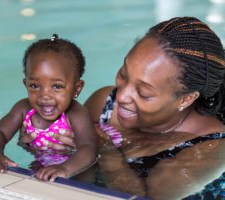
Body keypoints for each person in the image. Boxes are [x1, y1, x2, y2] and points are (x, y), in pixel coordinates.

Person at [27, 17, 224, 199]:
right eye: (123, 74)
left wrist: (105, 149)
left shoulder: (209, 147)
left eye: (144, 93)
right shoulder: (104, 102)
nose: (121, 96)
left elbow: (148, 197)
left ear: (186, 99)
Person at [0, 34, 97, 182]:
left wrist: (65, 169)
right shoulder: (23, 109)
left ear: (76, 89)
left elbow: (88, 149)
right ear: (25, 84)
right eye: (35, 86)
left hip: (77, 169)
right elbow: (0, 132)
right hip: (41, 164)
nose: (44, 95)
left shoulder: (76, 114)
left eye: (57, 86)